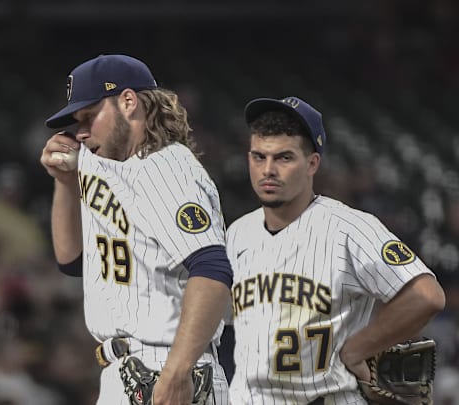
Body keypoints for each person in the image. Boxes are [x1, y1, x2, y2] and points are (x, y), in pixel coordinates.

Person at [39, 54, 233, 405]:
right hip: (127, 369)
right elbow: (73, 262)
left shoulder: (166, 168)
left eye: (88, 117)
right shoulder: (112, 166)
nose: (80, 132)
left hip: (166, 365)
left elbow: (213, 271)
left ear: (128, 102)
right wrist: (65, 183)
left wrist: (177, 371)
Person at [226, 96, 446, 404]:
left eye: (284, 158)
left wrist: (358, 348)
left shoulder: (351, 228)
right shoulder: (236, 233)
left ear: (312, 163)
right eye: (259, 157)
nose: (268, 170)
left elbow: (426, 295)